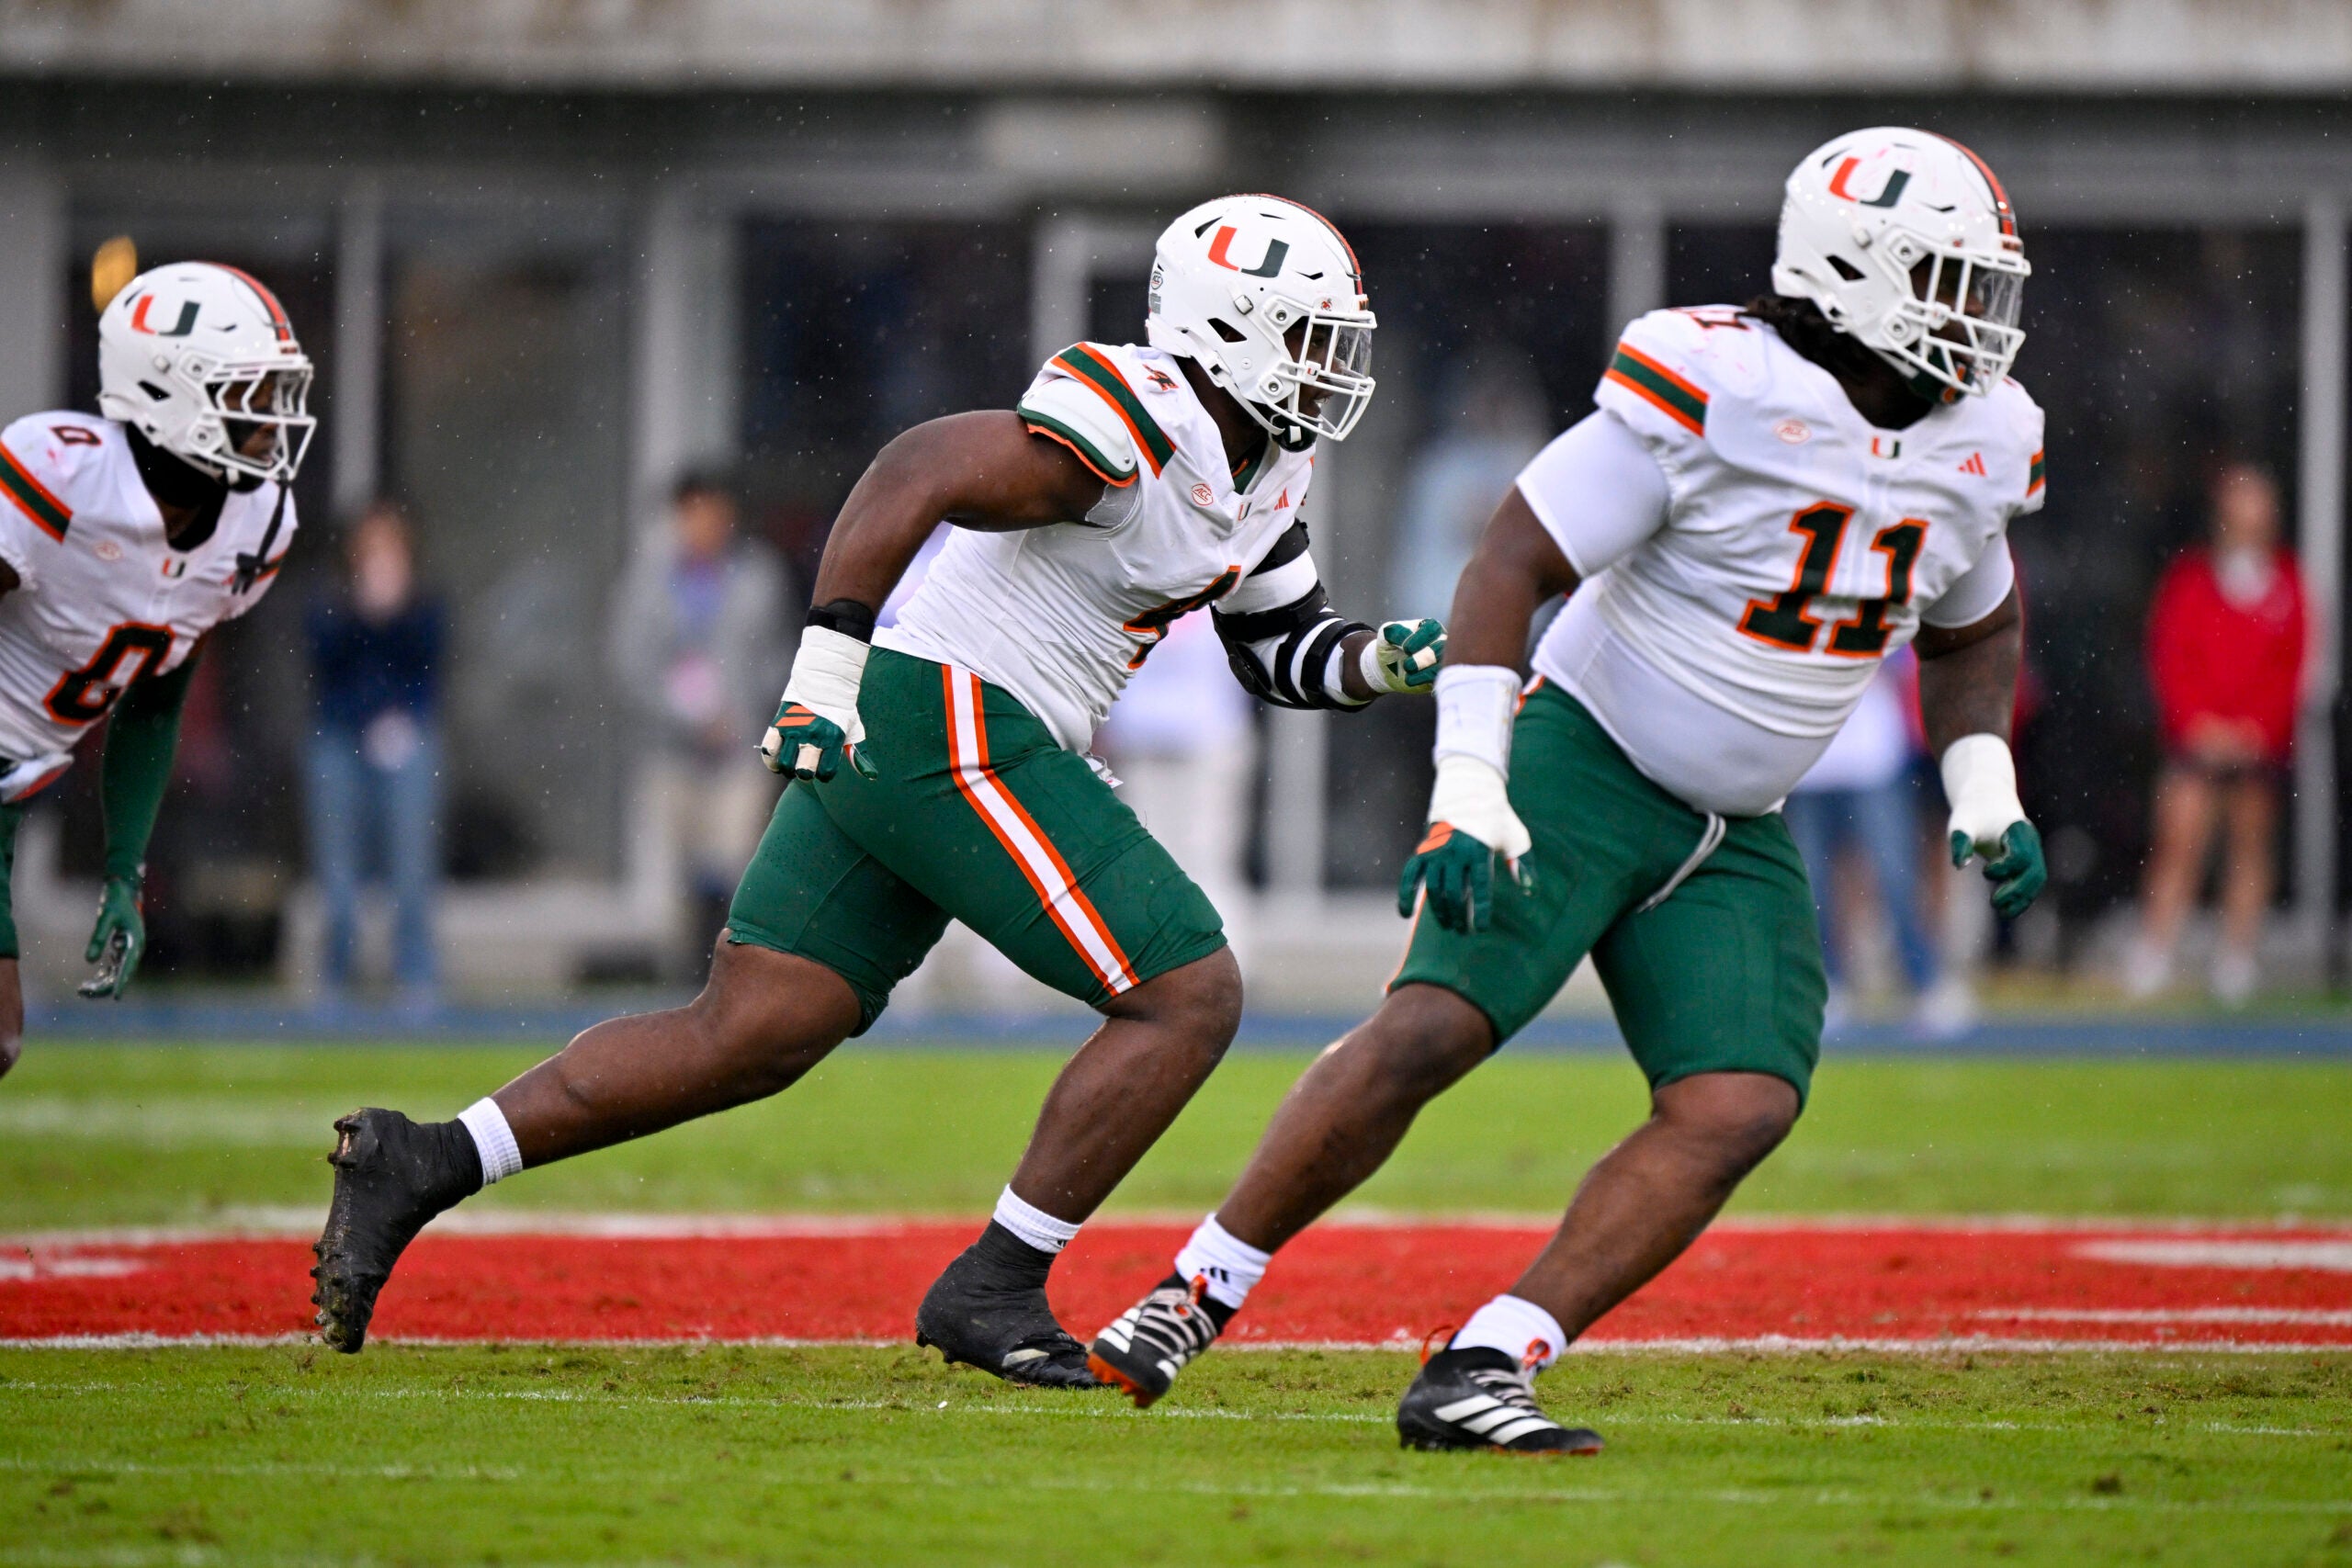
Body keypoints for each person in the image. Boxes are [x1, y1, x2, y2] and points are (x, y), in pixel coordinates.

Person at [311, 195, 1447, 1383]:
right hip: (945, 710)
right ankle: (997, 1280)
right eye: (1312, 339)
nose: (1332, 372)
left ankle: (427, 1157)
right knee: (1190, 989)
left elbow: (1282, 646)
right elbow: (916, 469)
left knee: (754, 1028)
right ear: (1228, 329)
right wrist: (824, 668)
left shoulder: (1266, 468)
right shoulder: (1144, 412)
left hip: (937, 722)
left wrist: (1380, 660)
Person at [1089, 128, 2051, 1452]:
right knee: (1432, 1028)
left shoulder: (1986, 435)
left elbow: (1976, 620)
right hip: (1587, 758)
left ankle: (1490, 1357)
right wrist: (1474, 779)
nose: (1973, 319)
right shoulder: (1718, 380)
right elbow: (1512, 561)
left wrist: (1982, 772)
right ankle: (1195, 1288)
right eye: (1945, 281)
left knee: (1741, 1099)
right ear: (1855, 271)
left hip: (1736, 826)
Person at [0, 261, 311, 1082]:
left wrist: (122, 870)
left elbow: (154, 701)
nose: (274, 420)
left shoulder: (256, 525)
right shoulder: (60, 473)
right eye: (251, 393)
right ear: (171, 390)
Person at [2126, 464, 2307, 1006]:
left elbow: (2292, 667)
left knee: (2249, 850)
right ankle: (2156, 952)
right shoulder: (2191, 580)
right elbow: (2170, 657)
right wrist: (2198, 725)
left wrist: (2257, 730)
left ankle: (2236, 960)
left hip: (2255, 745)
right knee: (2178, 845)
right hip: (2196, 742)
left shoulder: (2288, 585)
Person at [606, 470, 794, 974]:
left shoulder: (758, 576)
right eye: (694, 513)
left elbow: (780, 655)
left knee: (735, 863)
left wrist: (739, 709)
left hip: (738, 747)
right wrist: (685, 713)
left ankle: (732, 974)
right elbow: (629, 663)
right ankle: (684, 977)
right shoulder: (648, 583)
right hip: (668, 749)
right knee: (675, 875)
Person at [1782, 650, 1973, 1037]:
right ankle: (1828, 985)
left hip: (1872, 758)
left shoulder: (1874, 591)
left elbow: (1908, 657)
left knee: (1896, 876)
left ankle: (1926, 978)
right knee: (1811, 884)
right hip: (1807, 764)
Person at [303, 502, 444, 1009]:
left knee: (411, 864)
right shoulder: (331, 601)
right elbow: (322, 660)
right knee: (338, 870)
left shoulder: (424, 603)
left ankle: (416, 976)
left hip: (406, 736)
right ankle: (336, 977)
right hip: (340, 738)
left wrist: (396, 613)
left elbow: (429, 666)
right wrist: (364, 614)